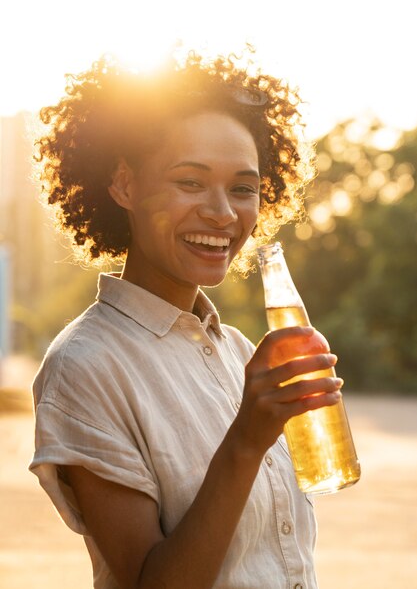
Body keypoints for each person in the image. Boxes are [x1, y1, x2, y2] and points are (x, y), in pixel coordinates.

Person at [29, 49, 342, 589]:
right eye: (191, 182)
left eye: (243, 188)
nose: (223, 212)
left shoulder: (242, 351)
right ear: (124, 185)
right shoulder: (85, 367)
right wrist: (247, 438)